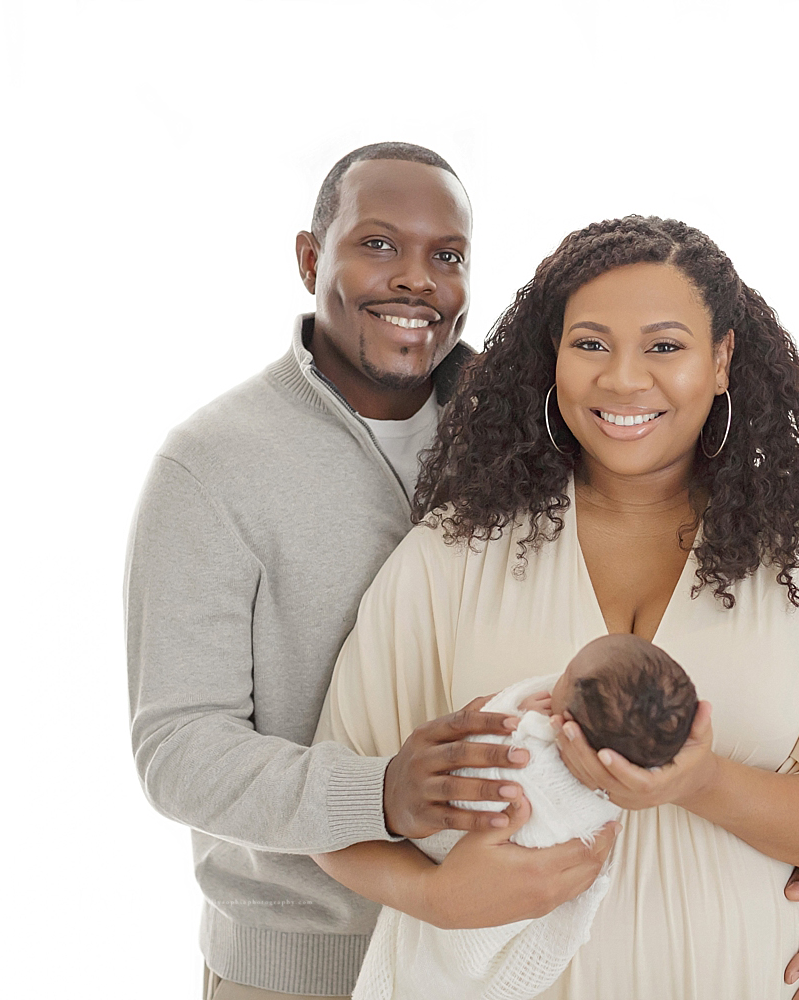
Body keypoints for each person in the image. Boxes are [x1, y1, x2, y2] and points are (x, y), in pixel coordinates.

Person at [311, 216, 799, 999]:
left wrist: (700, 783)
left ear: (723, 358)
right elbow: (332, 806)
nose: (625, 379)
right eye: (591, 344)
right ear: (552, 361)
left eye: (665, 346)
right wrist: (433, 897)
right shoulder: (452, 553)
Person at [125, 142, 620, 1000]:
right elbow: (178, 751)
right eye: (380, 244)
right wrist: (382, 794)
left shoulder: (536, 440)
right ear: (312, 259)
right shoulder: (212, 465)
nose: (418, 279)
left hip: (510, 966)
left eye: (448, 255)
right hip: (297, 975)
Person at [345, 634, 696, 1000]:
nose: (555, 679)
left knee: (435, 967)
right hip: (465, 883)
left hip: (490, 871)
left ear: (570, 722)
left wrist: (519, 715)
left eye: (566, 676)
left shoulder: (528, 749)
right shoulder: (618, 782)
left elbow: (492, 753)